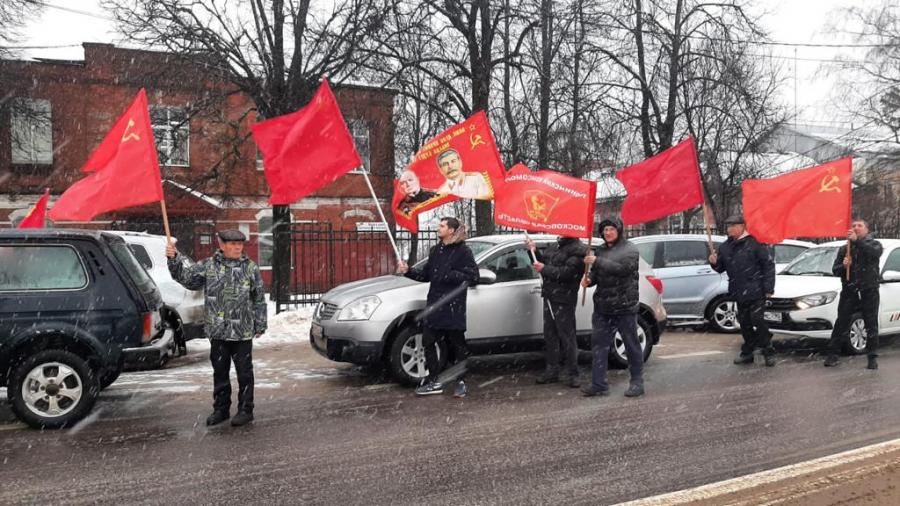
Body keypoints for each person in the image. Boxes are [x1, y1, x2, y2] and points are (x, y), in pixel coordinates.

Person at [166, 229, 267, 427]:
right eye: (232, 244)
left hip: (242, 332)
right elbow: (187, 280)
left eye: (240, 244)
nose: (237, 247)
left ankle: (246, 410)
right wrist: (174, 259)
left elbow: (258, 297)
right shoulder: (208, 266)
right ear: (221, 245)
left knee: (245, 373)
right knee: (220, 372)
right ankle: (221, 409)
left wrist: (260, 323)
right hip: (218, 331)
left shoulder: (250, 268)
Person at [397, 217, 479, 397]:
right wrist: (408, 271)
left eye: (442, 226)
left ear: (451, 230)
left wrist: (450, 275)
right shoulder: (436, 250)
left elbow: (473, 276)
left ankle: (460, 381)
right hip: (434, 304)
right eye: (439, 225)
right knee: (428, 341)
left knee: (457, 345)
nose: (438, 228)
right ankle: (434, 380)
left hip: (453, 305)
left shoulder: (463, 251)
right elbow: (426, 275)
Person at [581, 218, 645, 398]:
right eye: (604, 229)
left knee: (631, 345)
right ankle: (599, 384)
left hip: (625, 306)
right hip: (603, 306)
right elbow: (596, 274)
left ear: (619, 230)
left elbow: (623, 269)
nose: (607, 232)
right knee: (599, 346)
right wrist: (589, 280)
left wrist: (597, 261)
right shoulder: (600, 249)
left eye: (611, 229)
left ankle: (637, 382)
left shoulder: (630, 249)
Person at [708, 214, 776, 367]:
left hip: (756, 290)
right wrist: (713, 262)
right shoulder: (725, 246)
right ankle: (748, 352)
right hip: (738, 290)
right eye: (728, 226)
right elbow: (720, 268)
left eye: (732, 226)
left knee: (758, 320)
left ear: (741, 226)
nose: (729, 229)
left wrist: (768, 288)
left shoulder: (755, 243)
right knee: (744, 323)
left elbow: (768, 265)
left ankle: (768, 350)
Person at [526, 235, 587, 388]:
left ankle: (573, 373)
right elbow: (542, 263)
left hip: (564, 298)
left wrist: (544, 269)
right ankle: (552, 370)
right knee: (550, 335)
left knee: (567, 336)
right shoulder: (556, 246)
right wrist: (532, 251)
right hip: (549, 295)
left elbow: (568, 273)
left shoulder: (579, 250)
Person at [824, 219, 883, 369]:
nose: (856, 228)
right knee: (842, 322)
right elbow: (835, 270)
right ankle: (833, 354)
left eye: (860, 226)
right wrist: (843, 266)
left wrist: (857, 242)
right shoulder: (845, 249)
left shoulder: (873, 244)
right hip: (850, 290)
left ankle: (872, 357)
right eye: (854, 226)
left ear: (866, 230)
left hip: (868, 290)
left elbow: (874, 253)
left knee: (871, 324)